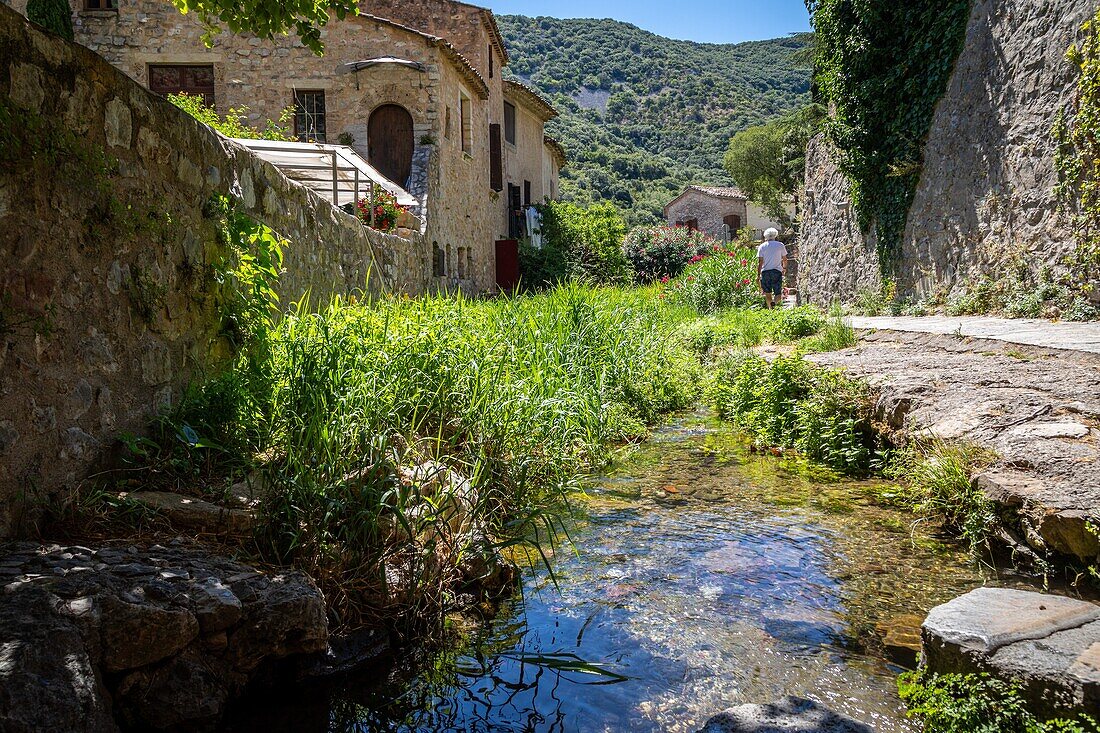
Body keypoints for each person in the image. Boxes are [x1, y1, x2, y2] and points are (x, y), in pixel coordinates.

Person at [757, 228, 788, 309]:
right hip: (777, 271)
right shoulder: (780, 245)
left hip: (765, 272)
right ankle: (774, 302)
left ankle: (771, 309)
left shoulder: (762, 246)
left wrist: (758, 274)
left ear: (765, 236)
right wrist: (784, 268)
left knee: (768, 293)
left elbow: (760, 262)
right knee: (778, 293)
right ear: (775, 235)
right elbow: (785, 259)